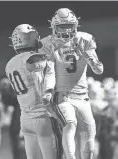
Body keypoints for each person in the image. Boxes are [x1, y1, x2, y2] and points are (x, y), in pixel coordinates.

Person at [40, 8, 104, 159]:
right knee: (70, 124)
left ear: (75, 25)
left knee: (89, 133)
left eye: (69, 25)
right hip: (63, 95)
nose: (66, 30)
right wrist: (48, 91)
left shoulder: (85, 39)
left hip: (83, 96)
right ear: (54, 27)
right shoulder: (48, 43)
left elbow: (99, 70)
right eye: (62, 26)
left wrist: (91, 59)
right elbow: (48, 71)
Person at [5, 24, 62, 159]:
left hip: (25, 119)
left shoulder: (10, 64)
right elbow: (44, 81)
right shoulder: (36, 59)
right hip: (43, 117)